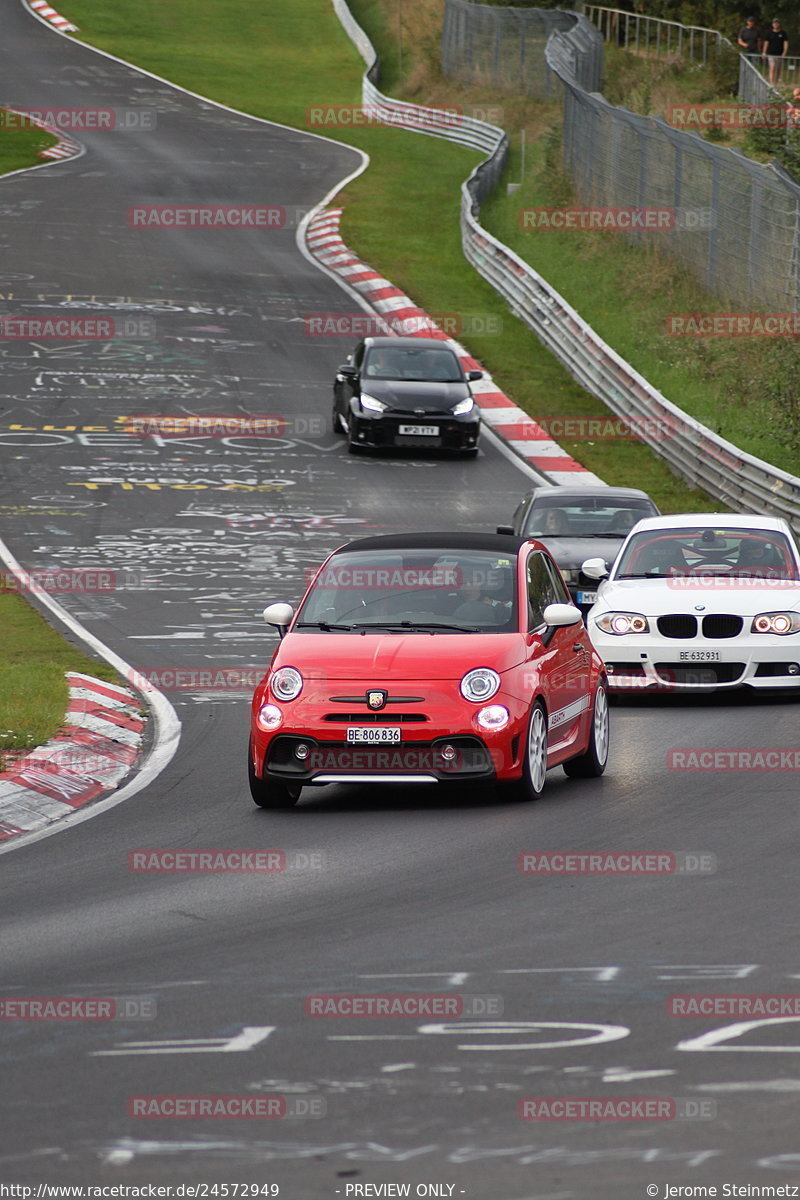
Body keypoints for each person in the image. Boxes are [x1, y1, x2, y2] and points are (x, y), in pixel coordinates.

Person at [763, 18, 788, 86]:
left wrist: (784, 52)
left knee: (778, 69)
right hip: (771, 53)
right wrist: (764, 52)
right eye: (774, 23)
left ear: (779, 24)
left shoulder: (783, 33)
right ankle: (771, 83)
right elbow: (766, 43)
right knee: (772, 68)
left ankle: (775, 82)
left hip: (779, 54)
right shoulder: (769, 33)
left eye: (777, 23)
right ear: (772, 24)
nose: (775, 24)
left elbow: (785, 43)